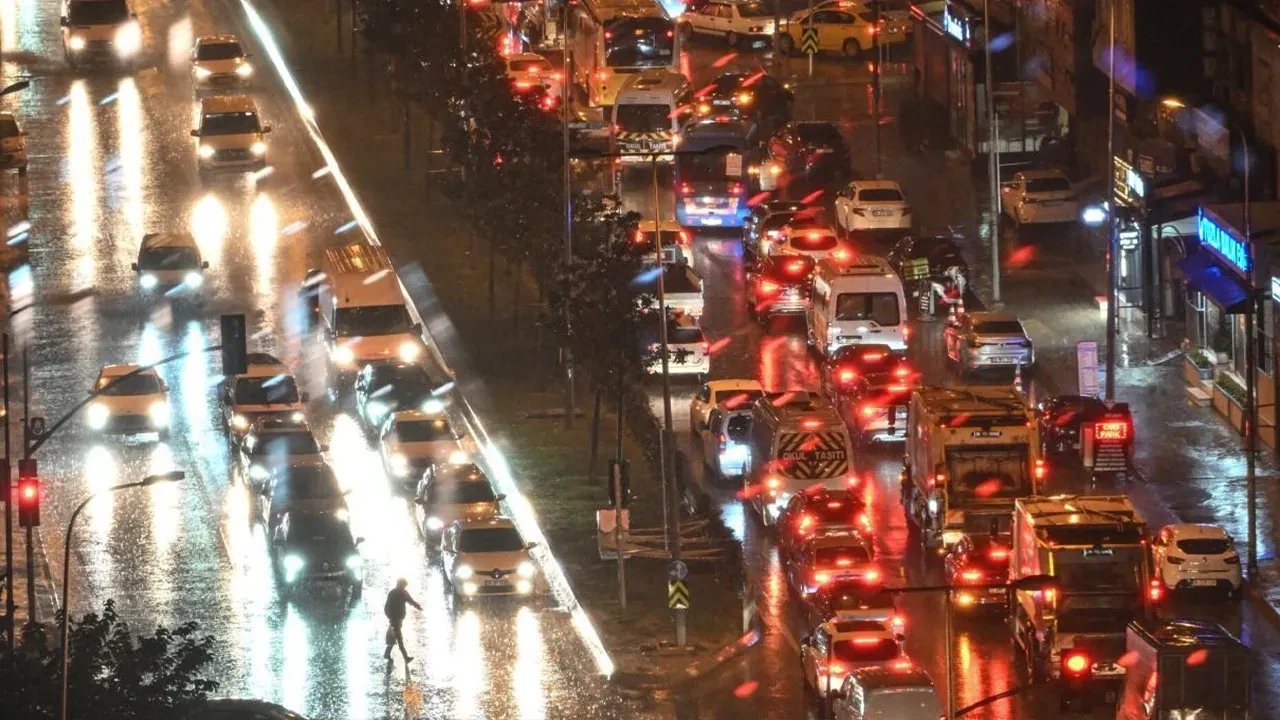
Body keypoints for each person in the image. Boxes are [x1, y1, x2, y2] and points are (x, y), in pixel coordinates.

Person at [383, 578, 421, 664]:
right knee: (399, 638)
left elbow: (386, 607)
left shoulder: (392, 592)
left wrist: (390, 617)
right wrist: (418, 606)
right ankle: (406, 657)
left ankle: (387, 654)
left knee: (394, 636)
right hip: (397, 619)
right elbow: (411, 601)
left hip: (394, 619)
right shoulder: (403, 592)